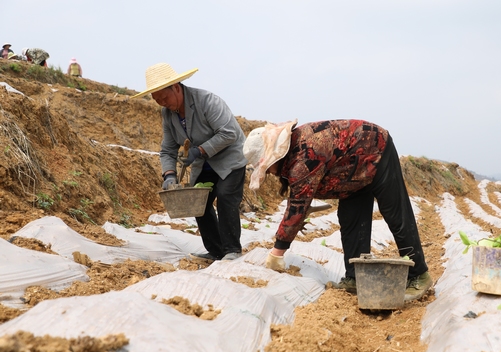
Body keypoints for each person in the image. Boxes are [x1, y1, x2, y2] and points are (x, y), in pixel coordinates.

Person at [258, 119, 434, 302]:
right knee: (350, 218)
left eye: (265, 167)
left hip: (376, 149)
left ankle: (419, 275)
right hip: (351, 167)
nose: (268, 172)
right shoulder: (295, 152)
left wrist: (277, 252)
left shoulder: (304, 156)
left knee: (396, 214)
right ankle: (356, 277)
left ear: (276, 155)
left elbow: (297, 206)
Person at [132, 63, 247, 262]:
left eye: (164, 98)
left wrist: (199, 150)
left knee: (225, 195)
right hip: (204, 163)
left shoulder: (207, 101)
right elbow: (167, 149)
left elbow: (229, 133)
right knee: (197, 202)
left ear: (176, 87)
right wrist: (169, 175)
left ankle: (232, 251)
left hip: (230, 158)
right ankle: (216, 251)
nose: (162, 103)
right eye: (157, 100)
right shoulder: (168, 114)